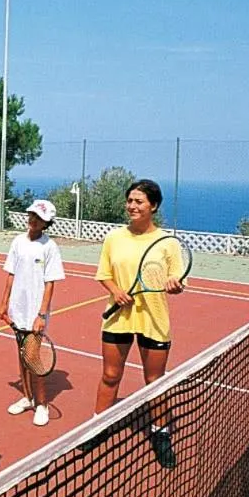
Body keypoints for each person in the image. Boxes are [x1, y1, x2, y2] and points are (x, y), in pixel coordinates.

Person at [94, 179, 185, 469]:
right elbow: (104, 274)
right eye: (130, 201)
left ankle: (160, 433)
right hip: (118, 318)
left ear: (153, 206)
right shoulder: (114, 238)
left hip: (154, 320)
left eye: (139, 202)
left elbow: (176, 279)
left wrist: (174, 286)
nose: (132, 206)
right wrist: (115, 291)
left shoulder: (168, 243)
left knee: (154, 381)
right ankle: (97, 426)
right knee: (110, 375)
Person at [0, 199, 65, 427]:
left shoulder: (49, 247)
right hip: (17, 310)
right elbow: (11, 274)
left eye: (39, 218)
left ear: (46, 223)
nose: (33, 220)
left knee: (33, 359)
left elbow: (50, 283)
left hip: (36, 313)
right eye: (32, 215)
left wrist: (41, 315)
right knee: (22, 356)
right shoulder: (18, 242)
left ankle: (42, 404)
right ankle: (27, 397)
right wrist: (3, 303)